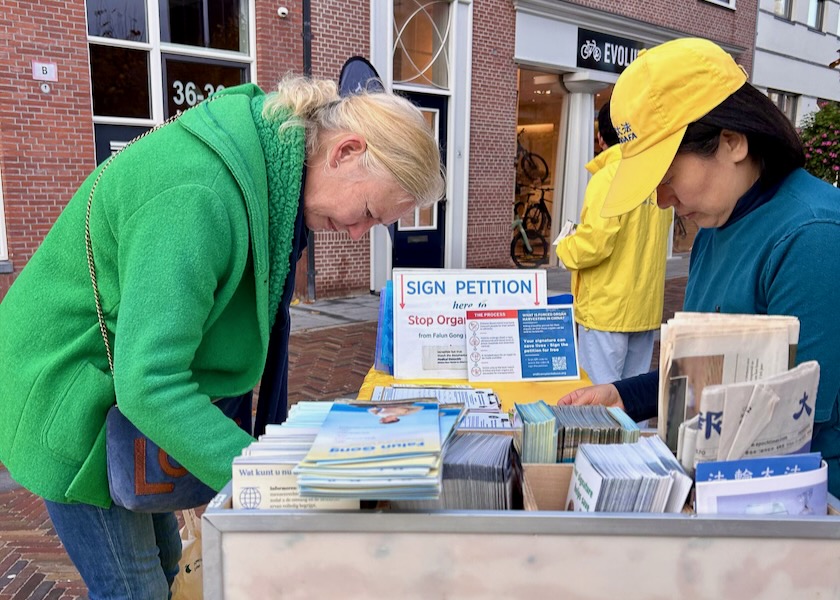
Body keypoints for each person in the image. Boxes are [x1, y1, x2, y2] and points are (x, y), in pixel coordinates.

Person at [0, 74, 444, 598]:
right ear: (345, 151)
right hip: (66, 393)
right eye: (367, 213)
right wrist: (267, 477)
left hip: (114, 385)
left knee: (168, 565)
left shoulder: (264, 168)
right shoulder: (198, 194)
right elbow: (150, 385)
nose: (355, 233)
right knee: (134, 589)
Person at [557, 37, 840, 497]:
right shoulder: (717, 224)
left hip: (799, 502)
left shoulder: (814, 235)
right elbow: (713, 372)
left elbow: (790, 413)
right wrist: (625, 396)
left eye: (667, 177)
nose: (661, 200)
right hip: (723, 483)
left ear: (732, 141)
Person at [556, 100, 672, 385]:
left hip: (605, 310)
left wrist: (565, 247)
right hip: (644, 309)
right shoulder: (656, 178)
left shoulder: (607, 178)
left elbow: (594, 244)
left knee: (599, 396)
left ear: (600, 138)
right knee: (632, 396)